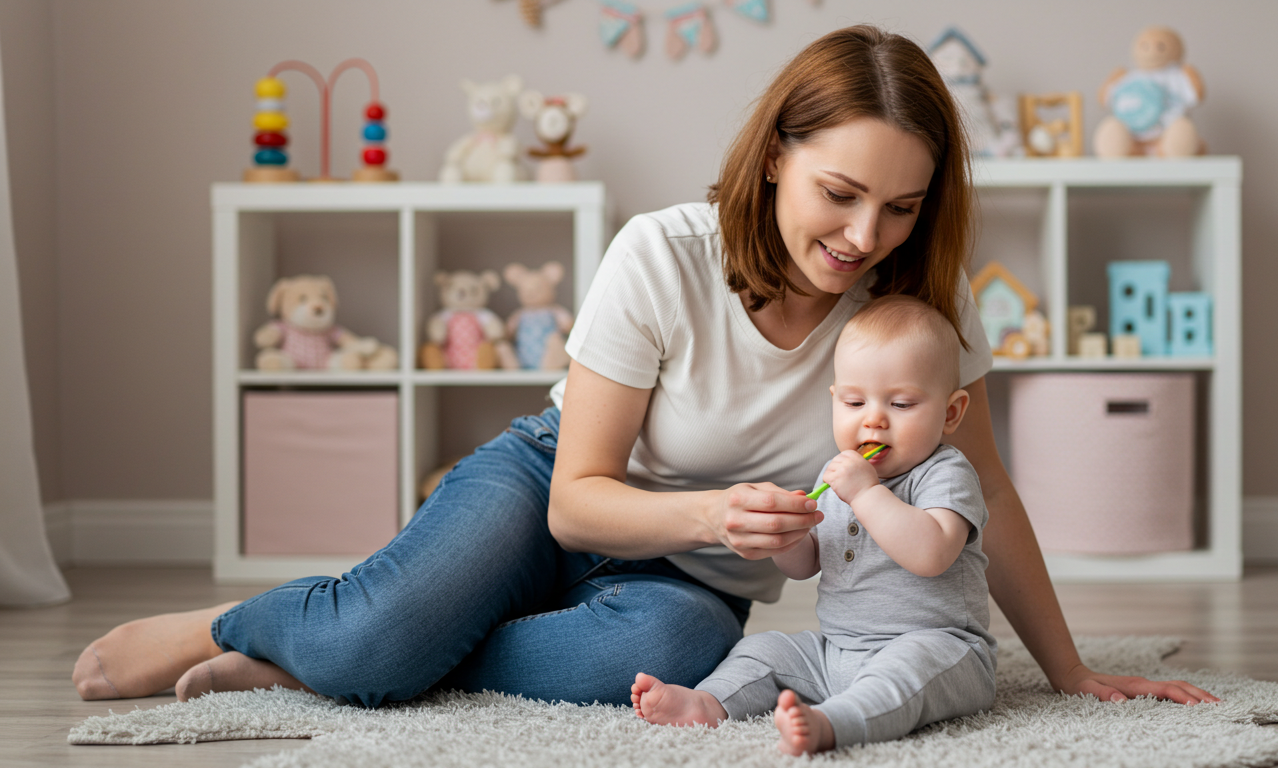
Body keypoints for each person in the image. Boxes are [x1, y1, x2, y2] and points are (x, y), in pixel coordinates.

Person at [72, 25, 1218, 711]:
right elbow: (577, 497)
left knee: (673, 647)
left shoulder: (917, 311)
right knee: (374, 635)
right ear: (777, 158)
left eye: (900, 208)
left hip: (685, 580)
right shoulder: (664, 253)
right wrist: (720, 510)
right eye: (840, 193)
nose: (866, 235)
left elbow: (992, 497)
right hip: (555, 488)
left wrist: (1067, 674)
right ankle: (257, 624)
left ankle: (367, 655)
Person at [632, 295, 996, 755]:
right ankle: (709, 703)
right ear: (835, 400)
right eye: (854, 400)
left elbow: (931, 554)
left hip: (941, 649)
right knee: (764, 650)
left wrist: (865, 494)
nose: (874, 418)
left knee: (903, 674)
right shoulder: (837, 473)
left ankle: (834, 723)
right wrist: (788, 533)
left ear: (950, 412)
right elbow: (805, 566)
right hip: (837, 652)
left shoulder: (946, 472)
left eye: (901, 404)